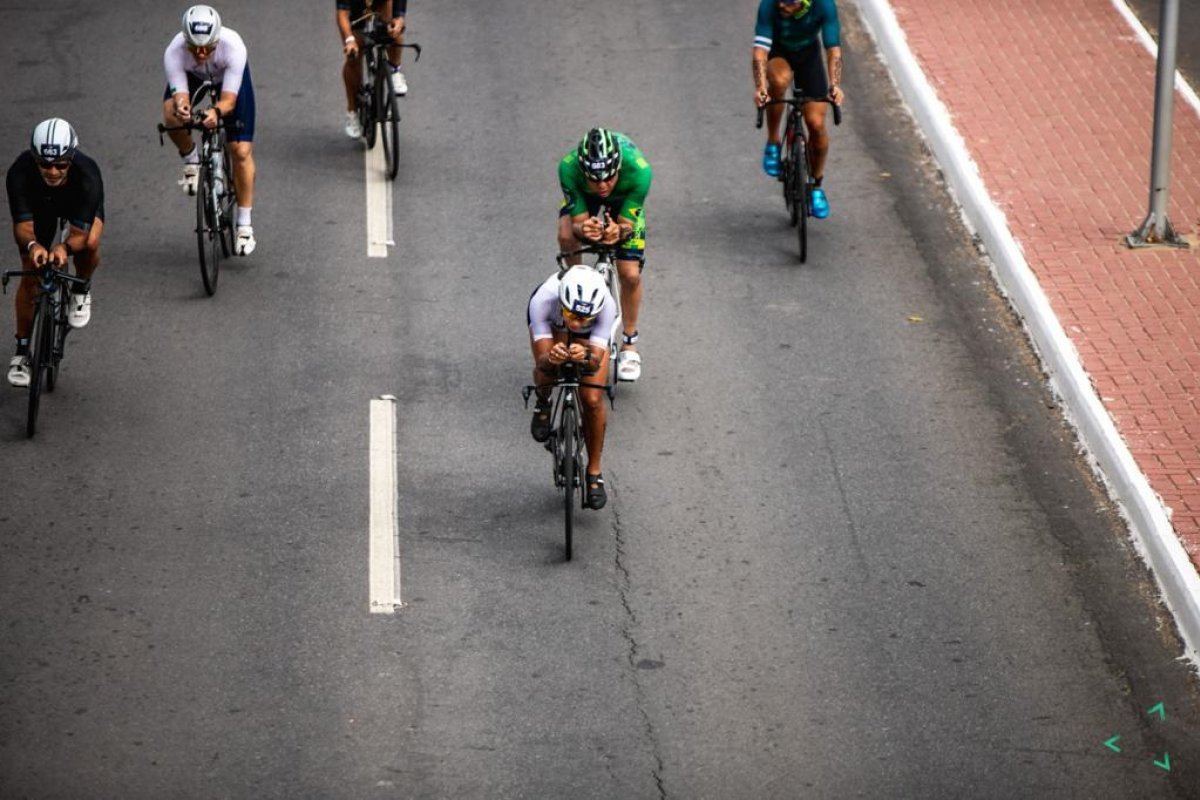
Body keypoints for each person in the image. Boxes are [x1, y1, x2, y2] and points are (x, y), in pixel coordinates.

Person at [6, 119, 104, 387]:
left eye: (60, 165)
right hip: (40, 205)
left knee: (90, 243)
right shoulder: (19, 172)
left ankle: (81, 287)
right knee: (31, 271)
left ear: (71, 158)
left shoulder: (87, 173)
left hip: (78, 203)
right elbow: (23, 228)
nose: (52, 171)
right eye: (44, 164)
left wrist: (64, 247)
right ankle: (22, 352)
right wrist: (33, 246)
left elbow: (80, 236)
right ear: (34, 158)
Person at [557, 127, 652, 382]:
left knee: (630, 274)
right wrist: (583, 228)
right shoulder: (568, 168)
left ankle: (629, 342)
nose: (602, 185)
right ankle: (574, 291)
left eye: (609, 177)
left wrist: (619, 231)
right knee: (566, 235)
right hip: (583, 197)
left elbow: (627, 225)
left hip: (625, 198)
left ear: (618, 167)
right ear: (583, 170)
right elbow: (577, 222)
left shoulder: (640, 171)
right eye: (594, 179)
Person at [162, 5, 258, 255]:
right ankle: (192, 160)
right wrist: (183, 108)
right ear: (186, 41)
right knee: (171, 114)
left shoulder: (233, 46)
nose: (202, 53)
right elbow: (180, 95)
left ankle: (244, 225)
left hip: (227, 77)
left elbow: (229, 101)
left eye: (208, 47)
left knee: (240, 151)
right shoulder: (174, 51)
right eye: (195, 48)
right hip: (193, 76)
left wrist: (215, 112)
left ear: (217, 40)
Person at [527, 266, 617, 510]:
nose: (577, 324)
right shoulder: (543, 300)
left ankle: (594, 471)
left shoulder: (607, 306)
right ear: (562, 303)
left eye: (585, 318)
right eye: (572, 315)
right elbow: (542, 359)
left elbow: (595, 361)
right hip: (552, 323)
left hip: (591, 336)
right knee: (547, 371)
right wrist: (552, 358)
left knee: (592, 399)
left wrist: (586, 356)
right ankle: (543, 401)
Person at [752, 0, 844, 219]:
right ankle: (773, 142)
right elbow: (760, 53)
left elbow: (833, 50)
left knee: (816, 125)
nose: (782, 6)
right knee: (779, 81)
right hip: (779, 53)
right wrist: (761, 88)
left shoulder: (824, 5)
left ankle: (816, 185)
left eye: (788, 2)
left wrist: (835, 85)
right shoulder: (769, 5)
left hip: (809, 56)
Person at [337, 0, 409, 139]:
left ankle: (395, 70)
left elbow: (398, 13)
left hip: (381, 3)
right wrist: (349, 41)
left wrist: (399, 19)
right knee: (354, 53)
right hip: (356, 8)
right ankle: (352, 111)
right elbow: (343, 14)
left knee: (394, 34)